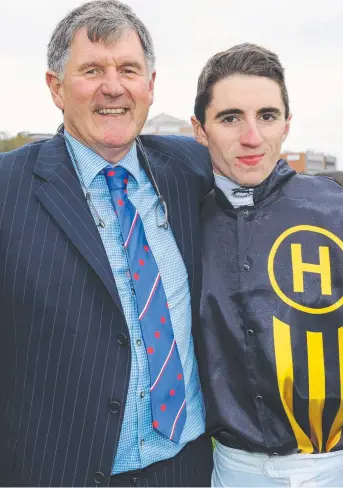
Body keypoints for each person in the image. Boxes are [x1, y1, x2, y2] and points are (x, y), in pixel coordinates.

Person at [0, 1, 213, 486]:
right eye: (92, 69)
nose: (113, 86)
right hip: (58, 472)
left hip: (186, 470)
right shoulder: (7, 190)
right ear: (55, 87)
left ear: (151, 85)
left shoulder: (192, 172)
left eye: (128, 70)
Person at [191, 43, 343, 486]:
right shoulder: (179, 220)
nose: (252, 137)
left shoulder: (334, 211)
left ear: (287, 125)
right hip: (231, 469)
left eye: (268, 116)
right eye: (230, 117)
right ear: (200, 130)